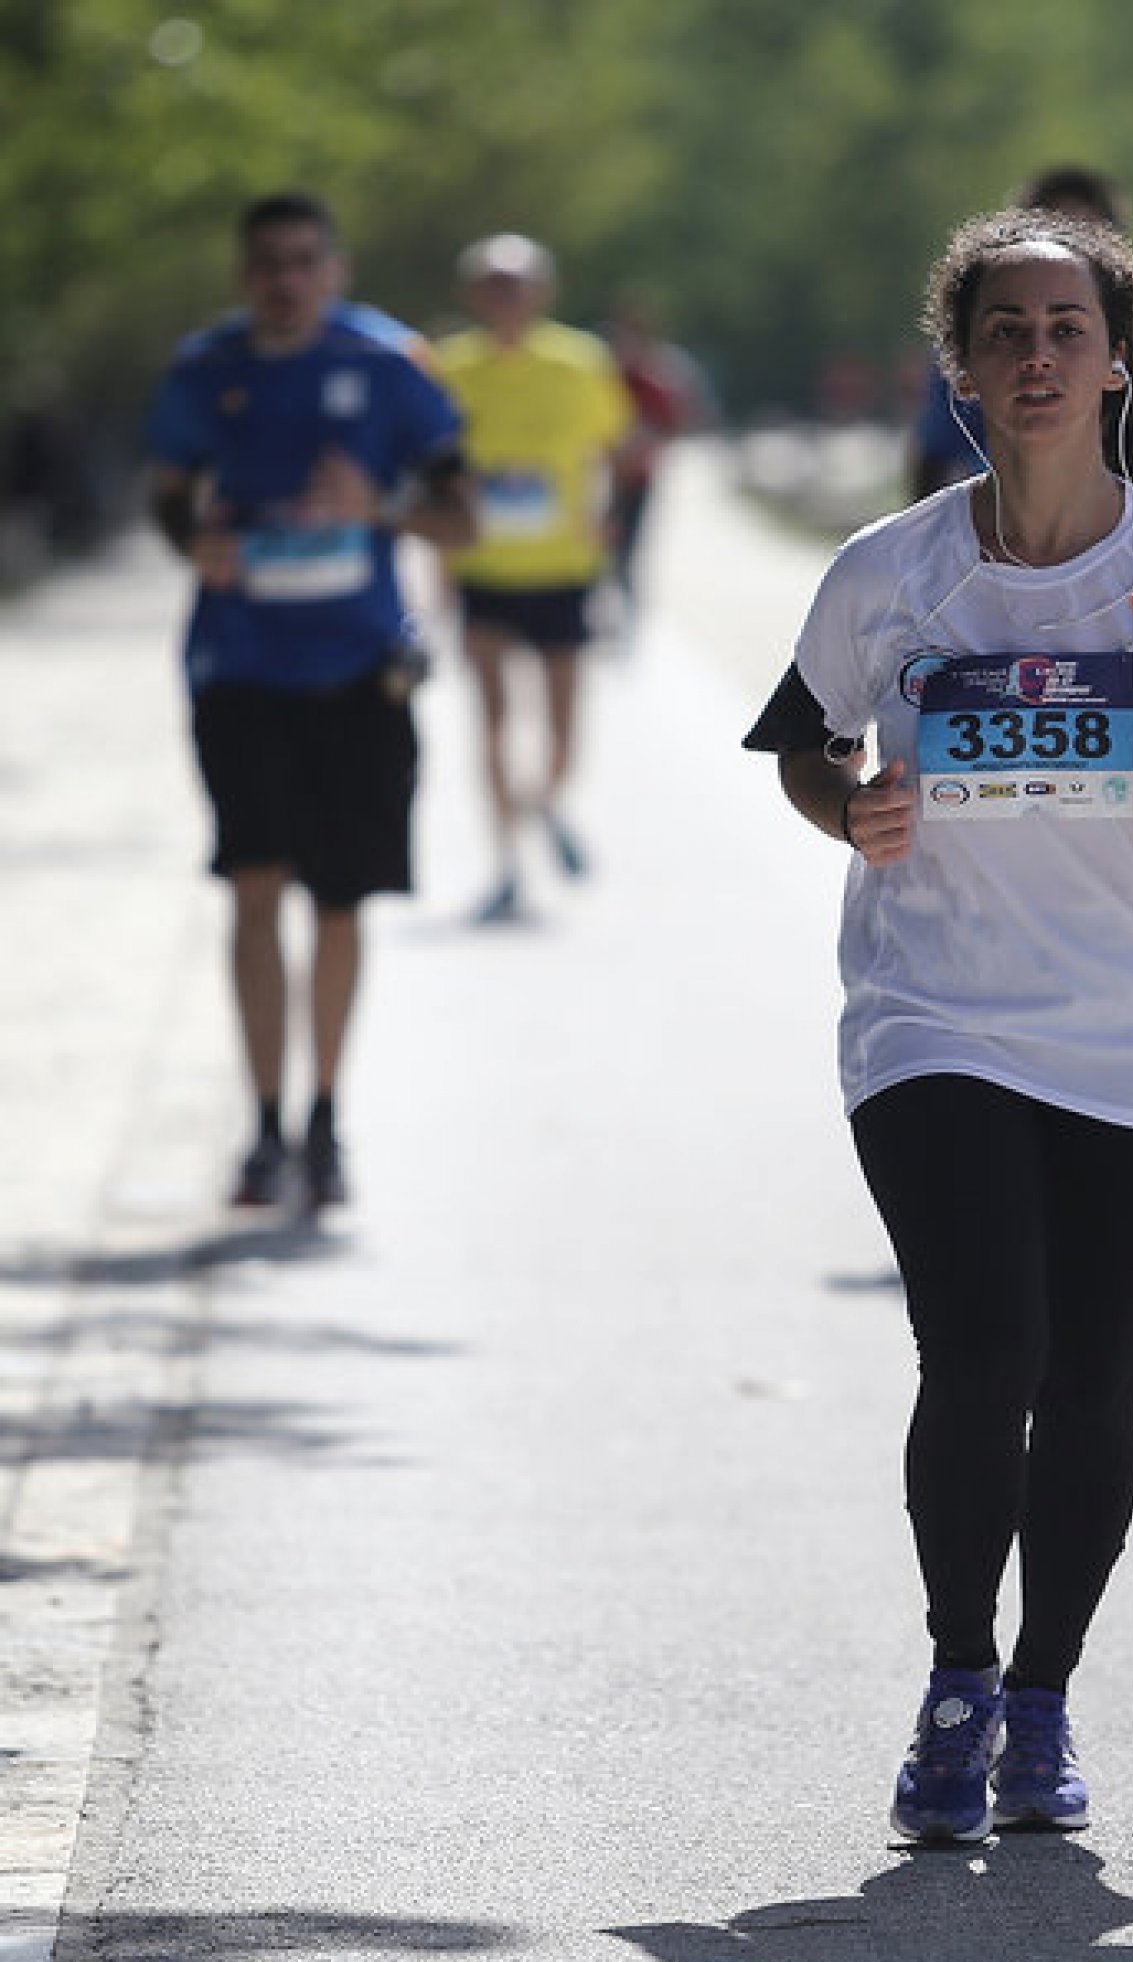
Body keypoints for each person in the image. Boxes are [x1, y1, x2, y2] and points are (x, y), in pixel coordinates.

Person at [744, 206, 1133, 1841]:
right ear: (961, 370)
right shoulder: (889, 569)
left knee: (1097, 1379)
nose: (1039, 357)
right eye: (1006, 332)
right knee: (986, 1351)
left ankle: (1043, 1698)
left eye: (1069, 330)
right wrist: (850, 807)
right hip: (935, 1017)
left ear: (1120, 365)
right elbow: (805, 744)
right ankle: (956, 1679)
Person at [146, 192, 473, 1210]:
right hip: (239, 665)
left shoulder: (389, 366)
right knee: (253, 887)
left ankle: (325, 1120)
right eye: (266, 263)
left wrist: (376, 506)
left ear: (334, 270)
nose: (284, 280)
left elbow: (461, 518)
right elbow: (167, 492)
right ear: (244, 276)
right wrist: (192, 540)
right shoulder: (207, 370)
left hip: (358, 672)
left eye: (302, 261)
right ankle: (262, 1128)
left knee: (338, 898)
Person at [436, 234, 634, 924]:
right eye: (493, 284)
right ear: (472, 294)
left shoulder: (581, 362)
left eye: (517, 284)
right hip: (484, 569)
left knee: (561, 734)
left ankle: (543, 801)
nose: (507, 297)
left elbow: (617, 448)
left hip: (563, 569)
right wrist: (439, 562)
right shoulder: (450, 366)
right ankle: (506, 864)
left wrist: (608, 519)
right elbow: (434, 468)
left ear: (543, 291)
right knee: (492, 722)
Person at [909, 166, 1133, 543]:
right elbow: (931, 469)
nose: (1037, 356)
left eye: (1068, 331)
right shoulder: (981, 353)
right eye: (1045, 237)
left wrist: (1128, 468)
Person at [604, 295, 712, 624]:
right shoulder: (602, 377)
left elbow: (673, 424)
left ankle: (626, 604)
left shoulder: (653, 382)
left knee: (628, 543)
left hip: (638, 476)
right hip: (600, 476)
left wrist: (641, 446)